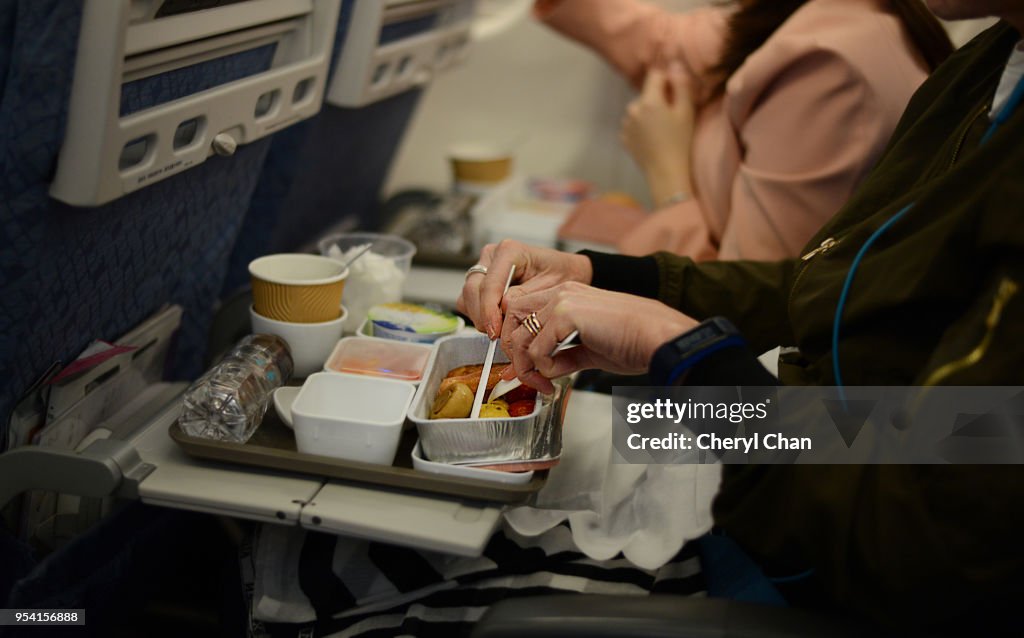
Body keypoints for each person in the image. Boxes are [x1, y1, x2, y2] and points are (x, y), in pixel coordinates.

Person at [458, 6, 1024, 632]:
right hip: (793, 435)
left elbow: (916, 522)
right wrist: (607, 277)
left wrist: (679, 351)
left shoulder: (837, 55)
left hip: (807, 538)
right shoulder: (991, 62)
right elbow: (826, 291)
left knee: (403, 555)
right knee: (533, 461)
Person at [540, 0, 953, 259]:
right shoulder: (783, 13)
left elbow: (744, 300)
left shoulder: (827, 66)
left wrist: (668, 175)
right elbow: (669, 42)